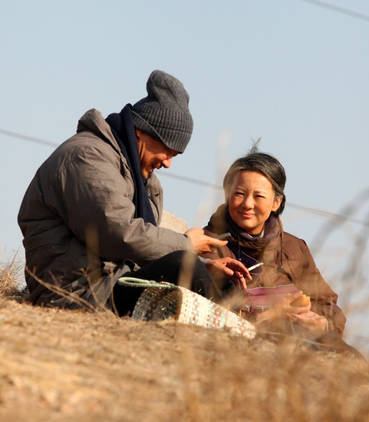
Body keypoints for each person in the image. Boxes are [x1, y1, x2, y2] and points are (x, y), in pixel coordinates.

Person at [18, 70, 249, 313]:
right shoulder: (87, 156)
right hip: (77, 293)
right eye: (168, 151)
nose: (169, 163)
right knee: (182, 263)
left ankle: (241, 329)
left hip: (114, 284)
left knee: (217, 280)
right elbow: (117, 233)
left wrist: (204, 266)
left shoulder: (144, 180)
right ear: (142, 132)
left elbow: (140, 251)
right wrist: (186, 245)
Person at [200, 150, 349, 339]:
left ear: (276, 203)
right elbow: (213, 311)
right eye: (239, 193)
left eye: (258, 196)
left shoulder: (294, 248)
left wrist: (323, 323)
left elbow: (327, 304)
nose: (247, 204)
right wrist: (275, 313)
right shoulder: (207, 244)